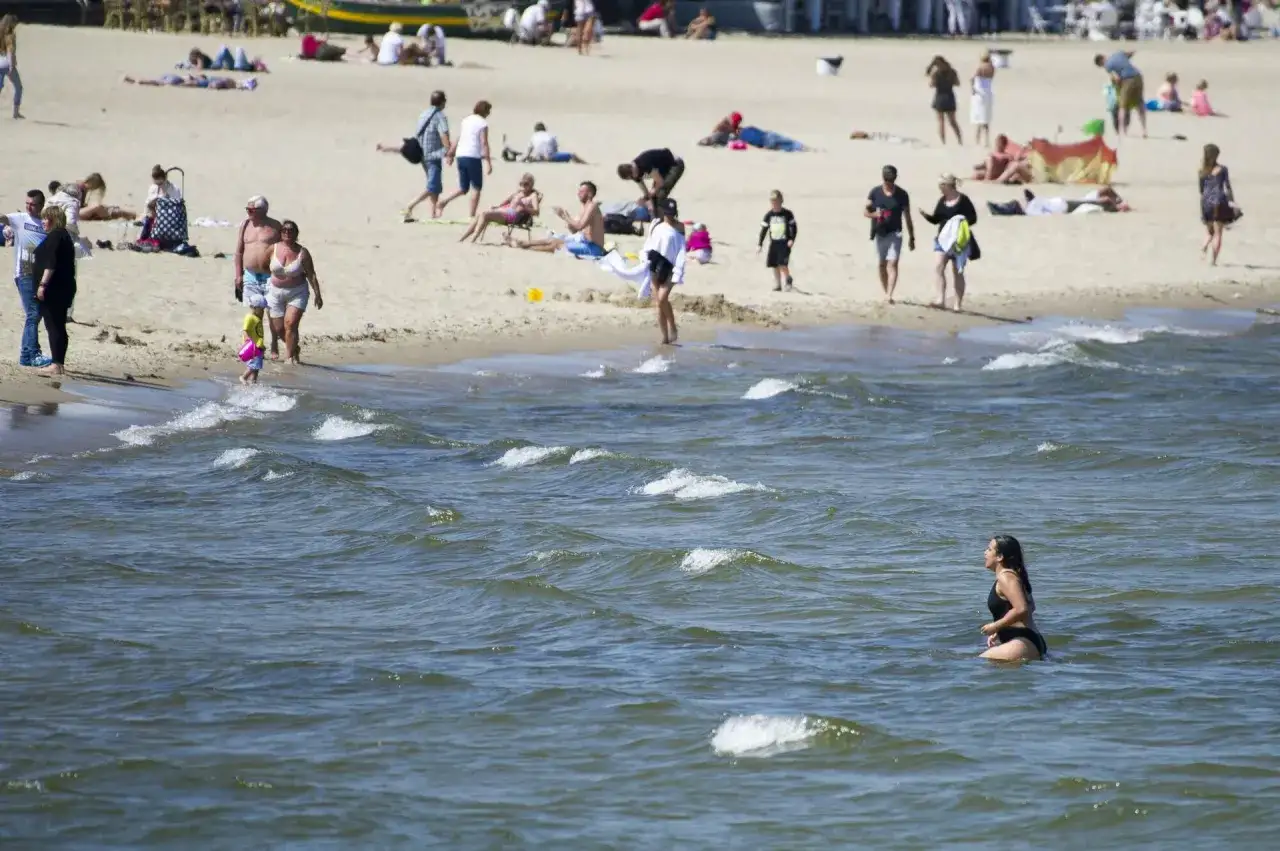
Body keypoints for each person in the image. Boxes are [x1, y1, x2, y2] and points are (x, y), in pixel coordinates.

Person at [378, 90, 451, 221]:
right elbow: (444, 133)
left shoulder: (424, 114)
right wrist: (448, 149)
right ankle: (409, 206)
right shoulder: (440, 116)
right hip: (433, 154)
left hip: (422, 152)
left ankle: (433, 213)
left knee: (434, 184)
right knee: (433, 186)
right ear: (442, 102)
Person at [1, 189, 50, 367]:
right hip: (24, 273)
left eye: (33, 204)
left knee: (36, 314)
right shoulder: (20, 219)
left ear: (41, 205)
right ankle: (31, 355)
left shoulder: (45, 224)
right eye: (27, 203)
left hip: (40, 275)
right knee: (33, 313)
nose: (29, 207)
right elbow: (3, 218)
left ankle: (27, 354)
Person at [980, 535, 1048, 662]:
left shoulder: (1006, 577)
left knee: (975, 664)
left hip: (1023, 641)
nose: (985, 552)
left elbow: (1022, 608)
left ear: (1000, 557)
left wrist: (996, 626)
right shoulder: (1014, 576)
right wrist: (1001, 629)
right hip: (1028, 641)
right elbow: (1031, 607)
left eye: (989, 549)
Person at [266, 219, 323, 364]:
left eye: (291, 230)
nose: (287, 232)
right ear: (281, 232)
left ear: (296, 233)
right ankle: (294, 348)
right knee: (279, 329)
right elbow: (262, 265)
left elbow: (311, 274)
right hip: (275, 291)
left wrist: (317, 294)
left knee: (290, 324)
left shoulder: (302, 253)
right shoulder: (273, 248)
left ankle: (289, 357)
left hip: (297, 292)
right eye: (284, 230)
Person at [920, 174, 979, 312]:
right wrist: (926, 216)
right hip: (942, 239)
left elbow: (973, 218)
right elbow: (937, 219)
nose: (940, 188)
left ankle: (957, 305)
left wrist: (958, 221)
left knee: (957, 271)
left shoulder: (963, 200)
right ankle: (940, 300)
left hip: (958, 241)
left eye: (941, 186)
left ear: (949, 186)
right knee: (938, 267)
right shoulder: (942, 200)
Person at [234, 196, 283, 354]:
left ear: (263, 211)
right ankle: (256, 345)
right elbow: (239, 251)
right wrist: (238, 274)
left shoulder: (275, 226)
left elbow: (284, 250)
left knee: (272, 314)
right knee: (255, 313)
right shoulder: (245, 224)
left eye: (252, 210)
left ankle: (274, 343)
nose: (248, 213)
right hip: (250, 275)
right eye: (247, 210)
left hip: (270, 276)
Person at [32, 205, 75, 378]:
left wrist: (42, 285)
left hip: (54, 289)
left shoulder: (56, 236)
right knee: (58, 325)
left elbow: (51, 263)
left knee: (54, 326)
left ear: (53, 219)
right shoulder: (64, 236)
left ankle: (56, 365)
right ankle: (59, 363)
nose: (42, 222)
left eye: (45, 218)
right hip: (63, 287)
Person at [865, 165, 915, 304]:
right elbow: (865, 211)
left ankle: (889, 294)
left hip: (896, 233)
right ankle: (886, 290)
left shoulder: (902, 195)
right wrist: (875, 214)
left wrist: (912, 237)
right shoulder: (875, 193)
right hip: (880, 233)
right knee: (882, 264)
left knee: (892, 263)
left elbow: (907, 216)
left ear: (895, 178)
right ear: (883, 178)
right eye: (887, 180)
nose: (889, 183)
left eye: (891, 180)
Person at [514, 180, 605, 257]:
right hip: (584, 241)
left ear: (589, 194)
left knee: (557, 245)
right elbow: (576, 231)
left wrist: (565, 217)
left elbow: (579, 226)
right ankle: (524, 243)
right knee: (552, 240)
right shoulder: (586, 207)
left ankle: (525, 247)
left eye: (581, 191)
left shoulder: (592, 206)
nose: (578, 193)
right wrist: (567, 219)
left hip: (594, 248)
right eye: (579, 191)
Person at [438, 100, 493, 219]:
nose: (489, 113)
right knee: (477, 187)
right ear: (484, 111)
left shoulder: (466, 120)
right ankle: (471, 216)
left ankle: (443, 202)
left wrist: (451, 154)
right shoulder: (482, 123)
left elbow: (459, 138)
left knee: (464, 188)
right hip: (473, 156)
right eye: (488, 111)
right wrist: (488, 162)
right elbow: (484, 143)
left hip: (461, 155)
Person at [644, 198, 686, 345]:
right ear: (663, 211)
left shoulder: (679, 227)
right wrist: (644, 259)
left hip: (671, 267)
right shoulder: (656, 224)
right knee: (659, 304)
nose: (670, 215)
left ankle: (673, 327)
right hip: (655, 262)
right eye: (668, 213)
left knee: (662, 298)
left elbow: (681, 249)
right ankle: (665, 338)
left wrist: (679, 271)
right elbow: (649, 243)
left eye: (672, 213)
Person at [459, 173, 541, 243]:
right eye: (521, 184)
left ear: (531, 185)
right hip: (506, 211)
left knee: (485, 215)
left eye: (526, 184)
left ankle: (473, 239)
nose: (523, 186)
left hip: (515, 216)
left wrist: (525, 208)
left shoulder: (533, 196)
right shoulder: (519, 192)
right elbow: (507, 200)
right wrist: (498, 206)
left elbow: (537, 212)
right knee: (480, 214)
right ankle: (464, 237)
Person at [1199, 143, 1237, 266]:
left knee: (1209, 231)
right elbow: (1227, 187)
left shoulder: (1202, 171)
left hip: (1206, 202)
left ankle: (1204, 246)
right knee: (1218, 233)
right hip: (1219, 201)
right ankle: (1213, 261)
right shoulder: (1222, 169)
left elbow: (1201, 190)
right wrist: (1232, 201)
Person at [1094, 50, 1147, 138]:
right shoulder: (1118, 53)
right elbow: (1131, 53)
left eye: (1101, 65)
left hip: (1127, 80)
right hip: (1138, 76)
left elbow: (1117, 79)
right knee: (1139, 104)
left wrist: (1117, 86)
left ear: (1101, 61)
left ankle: (1122, 131)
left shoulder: (1107, 65)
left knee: (1122, 106)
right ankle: (1144, 130)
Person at [617, 148, 684, 215]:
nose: (634, 178)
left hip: (674, 164)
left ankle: (664, 219)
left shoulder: (644, 164)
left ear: (631, 168)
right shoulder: (633, 174)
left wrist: (651, 198)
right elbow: (644, 188)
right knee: (653, 198)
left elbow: (660, 182)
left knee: (659, 196)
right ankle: (657, 216)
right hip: (662, 171)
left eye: (632, 175)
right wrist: (646, 198)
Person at [758, 190, 797, 292]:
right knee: (774, 265)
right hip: (774, 243)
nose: (775, 205)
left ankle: (788, 280)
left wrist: (791, 239)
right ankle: (778, 284)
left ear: (781, 201)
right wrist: (760, 244)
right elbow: (764, 230)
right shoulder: (769, 215)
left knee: (782, 264)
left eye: (777, 202)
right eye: (773, 202)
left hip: (784, 243)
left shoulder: (787, 214)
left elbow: (794, 228)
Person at [926, 56, 963, 145]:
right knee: (953, 121)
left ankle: (943, 142)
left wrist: (932, 78)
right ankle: (959, 140)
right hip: (950, 96)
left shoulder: (936, 73)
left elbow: (931, 85)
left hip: (940, 97)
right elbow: (957, 83)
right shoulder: (952, 72)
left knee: (941, 122)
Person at [521, 122, 586, 163]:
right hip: (550, 157)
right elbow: (555, 149)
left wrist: (525, 158)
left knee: (538, 156)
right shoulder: (550, 135)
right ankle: (584, 164)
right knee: (572, 155)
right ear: (544, 129)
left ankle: (538, 159)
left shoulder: (533, 136)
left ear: (535, 130)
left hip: (540, 156)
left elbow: (529, 151)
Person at [970, 50, 995, 149]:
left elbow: (972, 78)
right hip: (988, 93)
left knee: (979, 117)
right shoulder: (992, 68)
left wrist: (972, 89)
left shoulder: (980, 67)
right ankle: (986, 140)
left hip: (979, 94)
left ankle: (977, 139)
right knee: (986, 118)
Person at [239, 293, 266, 384]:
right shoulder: (250, 317)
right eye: (261, 309)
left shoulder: (256, 318)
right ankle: (244, 377)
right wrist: (247, 342)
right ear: (255, 307)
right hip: (253, 346)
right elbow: (245, 330)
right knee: (253, 365)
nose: (263, 311)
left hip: (259, 345)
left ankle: (253, 381)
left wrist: (262, 345)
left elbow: (259, 334)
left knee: (257, 366)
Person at [0, 13, 22, 119]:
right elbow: (10, 52)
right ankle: (15, 112)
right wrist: (12, 66)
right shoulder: (10, 36)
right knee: (18, 87)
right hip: (6, 64)